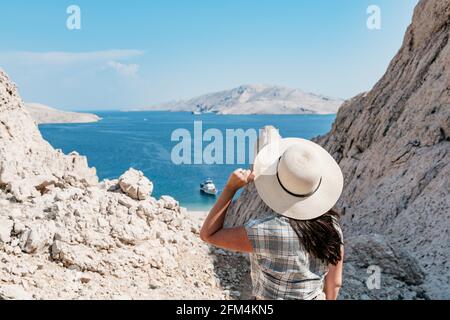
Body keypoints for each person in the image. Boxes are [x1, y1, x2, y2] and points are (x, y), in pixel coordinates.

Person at [200, 138, 344, 300]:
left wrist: (230, 188)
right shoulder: (331, 226)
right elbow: (335, 283)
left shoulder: (265, 230)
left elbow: (209, 234)